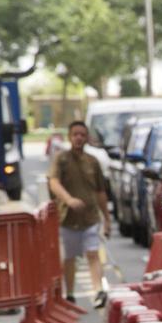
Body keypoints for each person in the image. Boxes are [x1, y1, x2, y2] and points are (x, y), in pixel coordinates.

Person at [47, 120, 109, 306]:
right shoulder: (61, 159)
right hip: (68, 219)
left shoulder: (93, 162)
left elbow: (100, 192)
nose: (79, 138)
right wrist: (68, 200)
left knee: (92, 253)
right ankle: (71, 294)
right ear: (69, 137)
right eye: (75, 134)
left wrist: (107, 218)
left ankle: (98, 290)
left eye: (82, 135)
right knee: (70, 257)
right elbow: (54, 182)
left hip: (90, 217)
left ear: (87, 137)